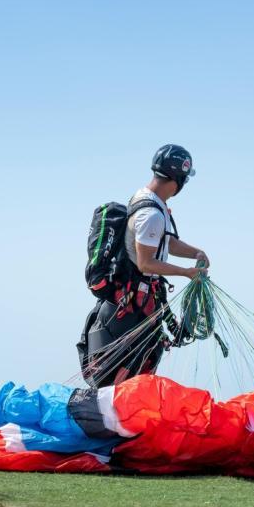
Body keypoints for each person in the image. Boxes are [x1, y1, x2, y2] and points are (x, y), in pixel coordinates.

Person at [77, 144, 210, 388]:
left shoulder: (149, 201)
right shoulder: (152, 214)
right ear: (179, 178)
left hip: (139, 306)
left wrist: (195, 253)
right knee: (122, 382)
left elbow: (166, 242)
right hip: (130, 311)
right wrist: (186, 273)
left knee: (136, 377)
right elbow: (145, 261)